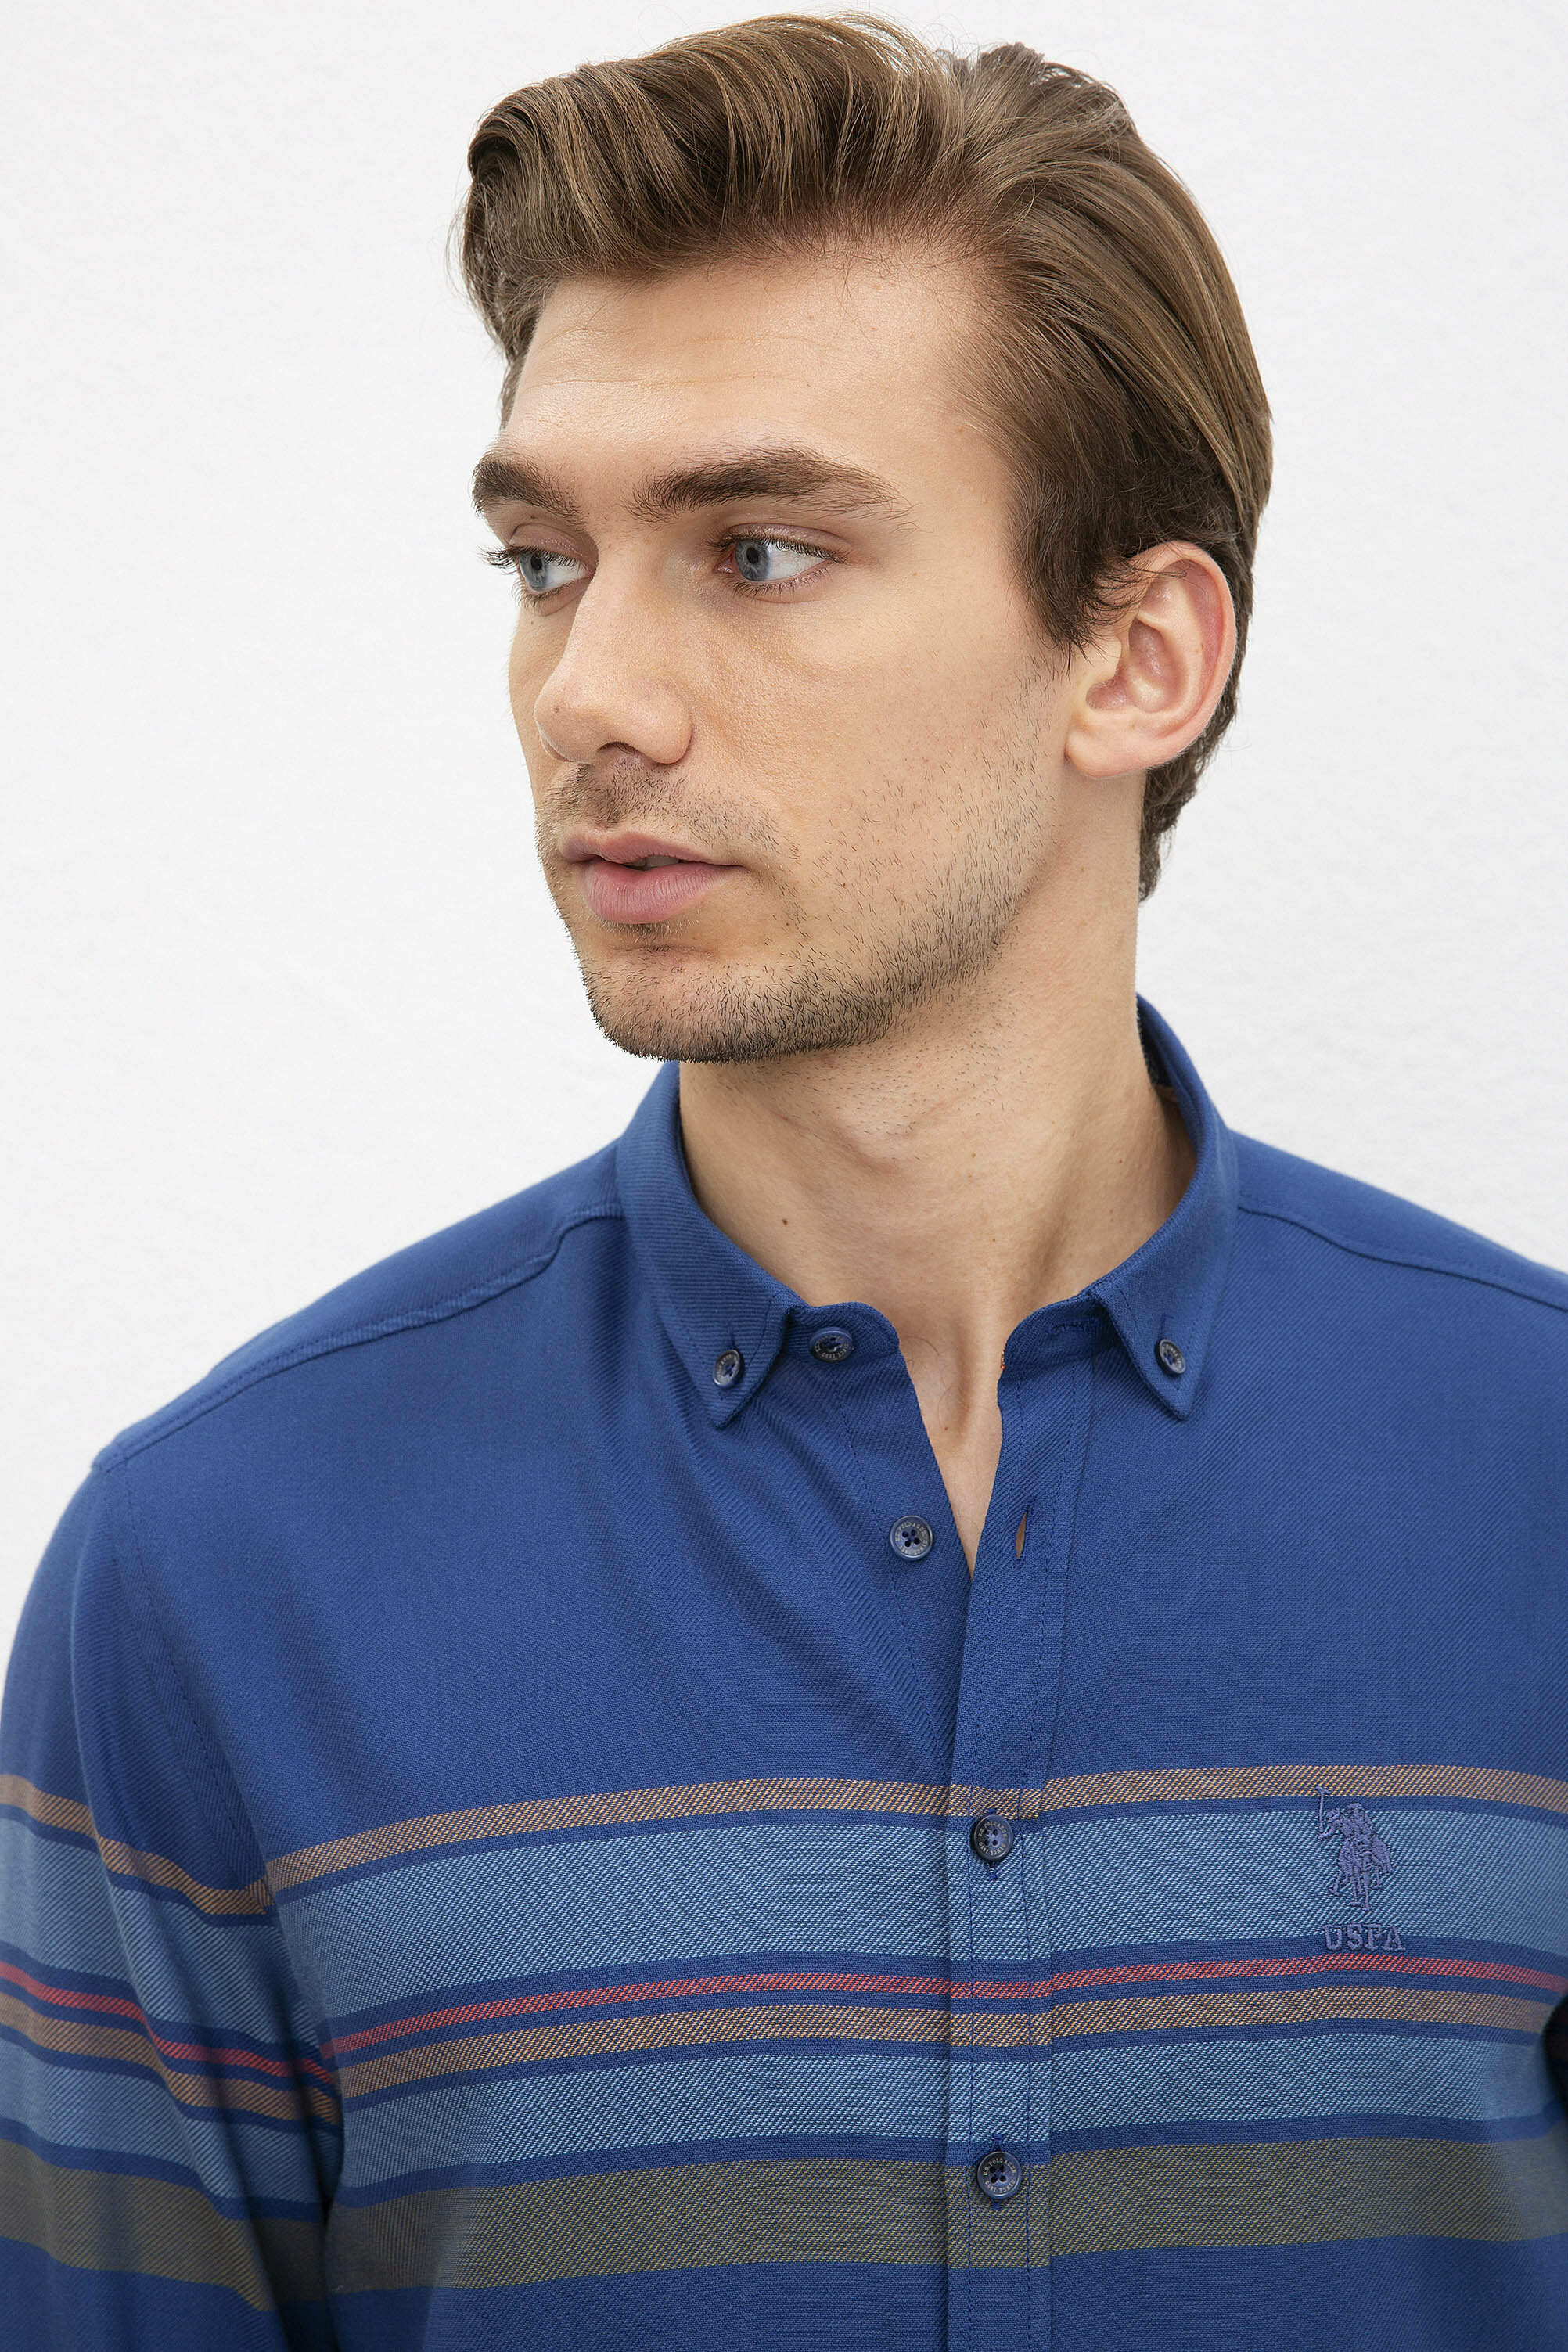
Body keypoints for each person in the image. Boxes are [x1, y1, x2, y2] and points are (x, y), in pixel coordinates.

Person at [3, 11, 1565, 2347]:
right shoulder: (217, 1575)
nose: (589, 695)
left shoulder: (1540, 1483)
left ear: (1135, 656)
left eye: (756, 551)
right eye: (545, 560)